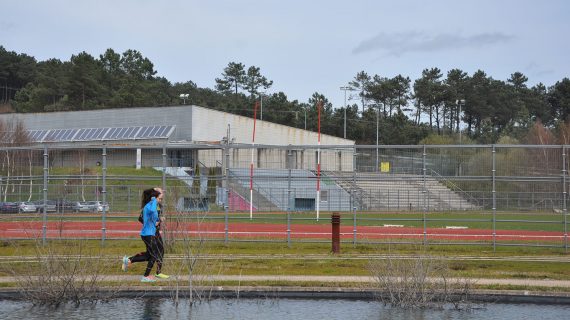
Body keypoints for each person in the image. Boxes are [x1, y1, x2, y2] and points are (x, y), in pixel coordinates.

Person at [122, 187, 169, 282]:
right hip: (148, 234)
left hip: (151, 233)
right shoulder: (150, 205)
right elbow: (150, 212)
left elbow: (154, 218)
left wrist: (159, 221)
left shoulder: (154, 205)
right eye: (159, 198)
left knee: (150, 255)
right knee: (154, 255)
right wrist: (154, 201)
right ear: (154, 197)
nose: (160, 200)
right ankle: (145, 276)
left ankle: (129, 260)